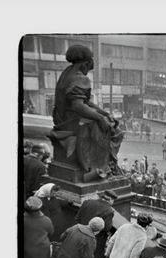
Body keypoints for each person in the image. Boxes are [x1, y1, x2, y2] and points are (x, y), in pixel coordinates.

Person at [49, 45, 122, 182]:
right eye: (89, 67)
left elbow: (85, 102)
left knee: (106, 121)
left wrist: (103, 113)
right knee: (116, 131)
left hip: (62, 119)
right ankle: (104, 167)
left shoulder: (67, 73)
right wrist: (101, 118)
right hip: (71, 123)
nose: (89, 70)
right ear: (87, 63)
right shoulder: (80, 78)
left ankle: (105, 164)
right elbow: (78, 106)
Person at [75, 190, 116, 258]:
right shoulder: (109, 210)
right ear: (109, 199)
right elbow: (106, 228)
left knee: (79, 257)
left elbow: (77, 218)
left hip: (79, 233)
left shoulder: (87, 202)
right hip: (96, 239)